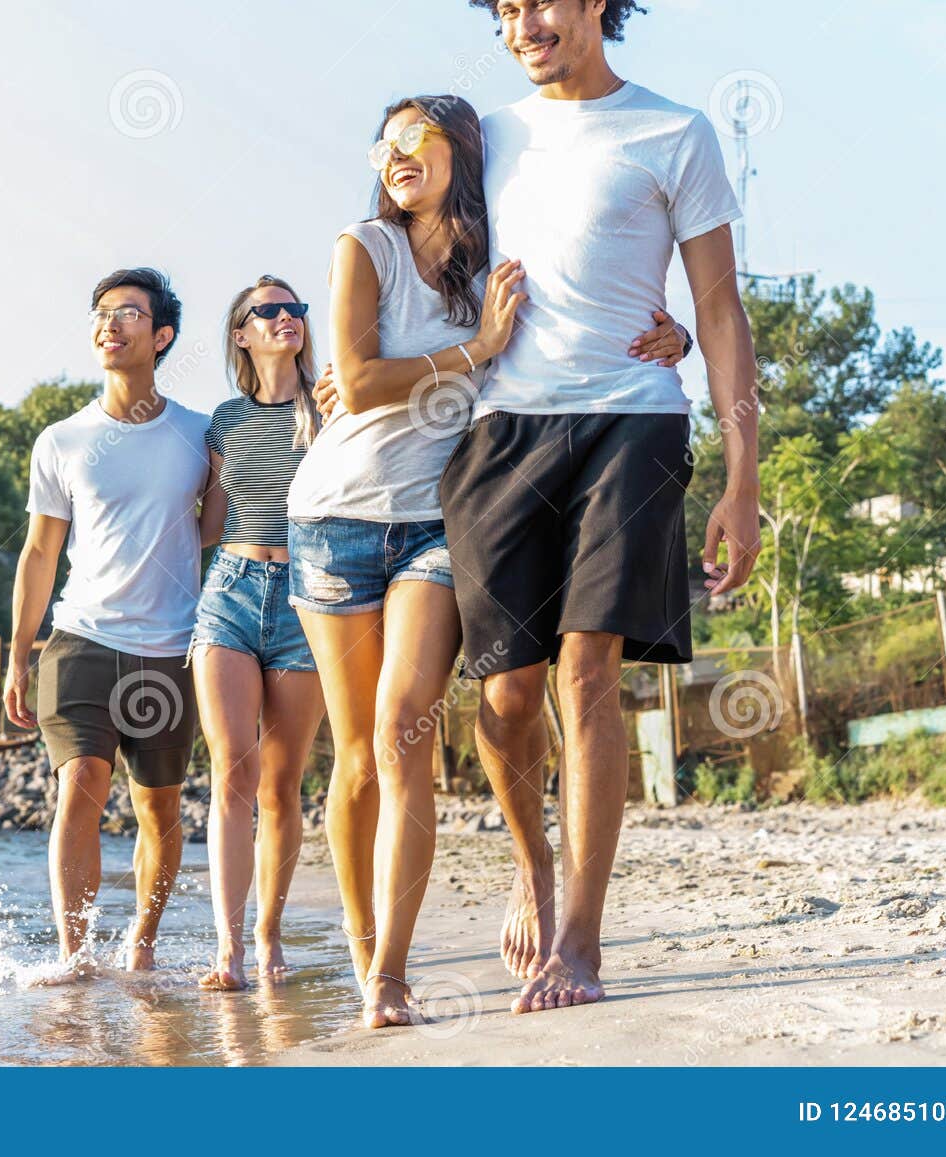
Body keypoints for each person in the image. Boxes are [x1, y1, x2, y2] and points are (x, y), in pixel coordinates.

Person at [291, 93, 689, 1030]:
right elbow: (354, 378)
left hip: (436, 520)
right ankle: (362, 954)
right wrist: (476, 350)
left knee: (404, 727)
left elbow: (589, 290)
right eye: (383, 140)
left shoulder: (495, 257)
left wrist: (665, 333)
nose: (394, 154)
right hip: (336, 516)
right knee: (355, 759)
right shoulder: (366, 246)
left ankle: (392, 974)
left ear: (463, 153)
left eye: (414, 137)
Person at [447, 0, 761, 1014]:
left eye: (537, 2)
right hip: (502, 430)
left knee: (588, 668)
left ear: (593, 6)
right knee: (503, 693)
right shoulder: (480, 136)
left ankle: (579, 938)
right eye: (501, 10)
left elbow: (716, 307)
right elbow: (402, 243)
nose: (520, 23)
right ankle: (533, 863)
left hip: (632, 415)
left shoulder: (676, 131)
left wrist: (741, 471)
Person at [2, 267, 211, 976]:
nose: (109, 324)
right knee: (82, 779)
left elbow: (219, 529)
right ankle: (75, 955)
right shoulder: (60, 439)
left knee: (159, 810)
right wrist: (18, 655)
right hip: (81, 639)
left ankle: (142, 944)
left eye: (128, 313)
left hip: (171, 650)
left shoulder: (199, 434)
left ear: (162, 336)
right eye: (100, 313)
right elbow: (39, 552)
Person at [193, 276, 329, 992]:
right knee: (233, 774)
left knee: (280, 785)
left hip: (309, 601)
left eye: (295, 308)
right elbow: (208, 524)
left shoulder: (329, 408)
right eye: (268, 311)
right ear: (242, 333)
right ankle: (228, 948)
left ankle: (270, 935)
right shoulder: (224, 420)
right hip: (231, 596)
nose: (287, 318)